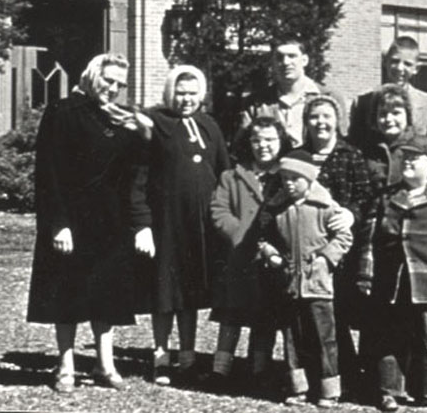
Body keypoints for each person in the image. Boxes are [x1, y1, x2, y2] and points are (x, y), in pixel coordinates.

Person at [27, 53, 152, 393]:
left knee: (106, 293)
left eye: (119, 84)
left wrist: (142, 134)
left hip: (110, 220)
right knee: (66, 293)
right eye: (108, 80)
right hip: (71, 218)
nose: (113, 89)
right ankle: (65, 364)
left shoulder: (120, 119)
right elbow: (48, 173)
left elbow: (135, 174)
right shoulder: (63, 112)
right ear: (92, 75)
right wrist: (58, 223)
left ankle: (104, 363)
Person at [358, 135, 427, 412]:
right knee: (388, 337)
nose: (407, 162)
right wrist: (366, 275)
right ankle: (390, 392)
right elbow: (368, 240)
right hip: (392, 282)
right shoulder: (385, 198)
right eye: (404, 158)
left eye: (415, 158)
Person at [131, 65, 230, 386]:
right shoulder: (156, 123)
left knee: (190, 291)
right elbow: (140, 177)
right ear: (170, 92)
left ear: (201, 95)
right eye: (180, 92)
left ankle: (187, 356)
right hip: (166, 224)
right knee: (164, 292)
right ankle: (161, 356)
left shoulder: (210, 126)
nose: (186, 99)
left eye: (192, 93)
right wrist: (142, 223)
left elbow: (224, 173)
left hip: (200, 226)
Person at [257, 150, 353, 408]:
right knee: (292, 338)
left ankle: (329, 389)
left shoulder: (325, 207)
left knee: (324, 339)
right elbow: (265, 238)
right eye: (285, 177)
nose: (289, 183)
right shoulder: (277, 209)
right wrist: (271, 253)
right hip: (289, 284)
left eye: (295, 178)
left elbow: (344, 236)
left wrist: (326, 259)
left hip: (318, 286)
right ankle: (298, 387)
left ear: (310, 179)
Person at [298, 93, 374, 397]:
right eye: (314, 116)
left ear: (337, 121)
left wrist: (350, 215)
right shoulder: (299, 155)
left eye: (327, 116)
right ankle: (319, 374)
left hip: (342, 247)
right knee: (313, 314)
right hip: (308, 246)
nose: (321, 122)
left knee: (338, 311)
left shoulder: (350, 155)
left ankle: (348, 373)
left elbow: (364, 196)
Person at [209, 116, 290, 387]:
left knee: (264, 315)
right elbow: (219, 210)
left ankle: (259, 368)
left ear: (281, 142)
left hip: (270, 259)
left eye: (270, 140)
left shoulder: (285, 177)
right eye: (256, 139)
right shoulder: (232, 175)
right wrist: (240, 235)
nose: (263, 146)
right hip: (239, 257)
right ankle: (221, 368)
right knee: (231, 314)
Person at [240, 39, 341, 147]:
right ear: (273, 63)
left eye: (292, 56)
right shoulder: (256, 102)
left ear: (304, 60)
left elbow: (342, 141)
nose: (285, 62)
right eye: (279, 58)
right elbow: (243, 144)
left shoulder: (328, 97)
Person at [348, 36, 427, 147]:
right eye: (394, 61)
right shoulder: (363, 102)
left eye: (407, 64)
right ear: (385, 62)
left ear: (417, 68)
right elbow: (354, 143)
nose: (399, 68)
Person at [362, 84, 427, 196]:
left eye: (396, 113)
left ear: (407, 115)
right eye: (383, 114)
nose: (389, 119)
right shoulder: (365, 149)